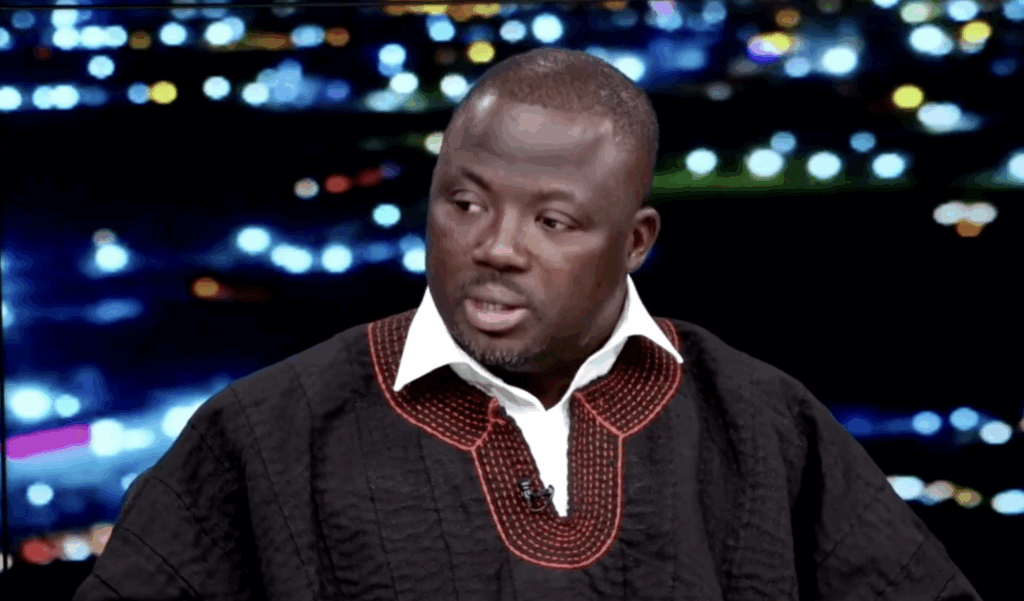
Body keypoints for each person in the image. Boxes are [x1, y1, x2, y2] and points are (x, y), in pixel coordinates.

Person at [73, 47, 982, 600]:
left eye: (552, 221)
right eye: (464, 203)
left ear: (635, 241)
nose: (496, 247)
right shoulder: (264, 433)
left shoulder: (761, 424)